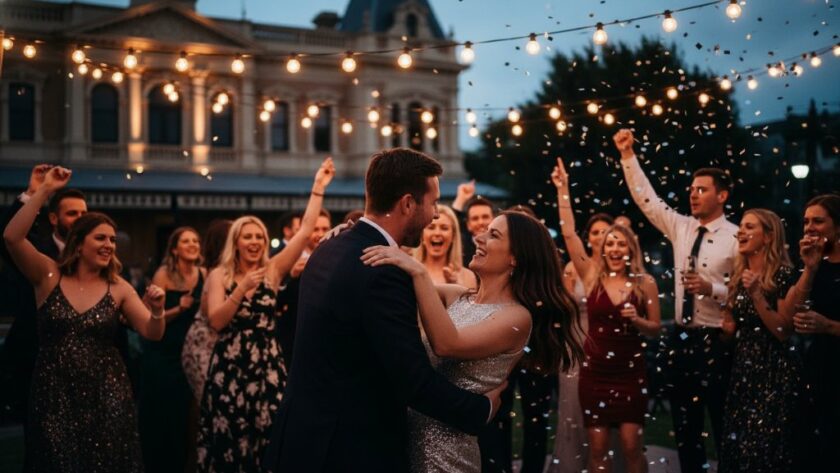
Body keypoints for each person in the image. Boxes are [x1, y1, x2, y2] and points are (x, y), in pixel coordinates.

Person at [263, 148, 505, 473]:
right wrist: (481, 408)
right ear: (407, 203)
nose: (435, 215)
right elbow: (412, 380)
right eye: (432, 203)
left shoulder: (331, 245)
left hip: (302, 438)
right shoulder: (382, 270)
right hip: (347, 450)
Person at [361, 210, 584, 472]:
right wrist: (353, 239)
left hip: (447, 456)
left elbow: (447, 344)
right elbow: (390, 284)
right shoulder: (458, 297)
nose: (478, 237)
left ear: (515, 258)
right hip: (406, 443)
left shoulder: (517, 318)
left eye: (493, 235)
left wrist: (419, 272)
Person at [3, 166, 166, 472]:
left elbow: (151, 332)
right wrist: (44, 191)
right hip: (54, 394)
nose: (109, 245)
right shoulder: (48, 275)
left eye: (113, 240)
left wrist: (157, 311)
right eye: (101, 238)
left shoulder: (118, 287)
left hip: (108, 395)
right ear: (79, 243)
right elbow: (12, 238)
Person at [196, 158, 334, 472]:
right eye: (248, 237)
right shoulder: (220, 275)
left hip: (266, 362)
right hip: (230, 366)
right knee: (231, 440)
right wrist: (242, 287)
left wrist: (317, 188)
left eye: (259, 236)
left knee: (271, 436)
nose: (255, 242)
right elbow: (217, 321)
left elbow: (305, 233)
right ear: (236, 242)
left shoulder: (272, 270)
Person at [614, 128, 737, 473]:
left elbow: (746, 294)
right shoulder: (681, 227)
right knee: (685, 427)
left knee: (723, 425)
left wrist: (712, 289)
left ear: (722, 195)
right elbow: (647, 200)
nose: (693, 195)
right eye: (692, 190)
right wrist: (628, 156)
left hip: (717, 340)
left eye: (702, 190)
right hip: (682, 339)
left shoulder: (737, 238)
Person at [553, 158, 661, 473]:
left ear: (630, 249)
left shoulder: (645, 283)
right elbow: (570, 234)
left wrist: (638, 322)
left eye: (620, 244)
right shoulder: (591, 278)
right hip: (595, 374)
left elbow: (655, 328)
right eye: (609, 243)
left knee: (631, 448)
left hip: (630, 375)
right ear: (603, 249)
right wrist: (563, 190)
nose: (614, 248)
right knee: (597, 451)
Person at [718, 209, 803, 472]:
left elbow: (782, 329)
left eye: (749, 227)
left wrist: (756, 294)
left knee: (765, 449)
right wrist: (727, 330)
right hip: (743, 370)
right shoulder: (738, 276)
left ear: (768, 237)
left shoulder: (783, 275)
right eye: (740, 226)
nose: (740, 232)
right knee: (739, 447)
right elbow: (731, 330)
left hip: (774, 372)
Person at [550, 212, 625, 473]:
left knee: (608, 415)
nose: (600, 237)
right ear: (588, 238)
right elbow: (560, 309)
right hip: (577, 343)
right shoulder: (573, 267)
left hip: (608, 348)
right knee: (574, 411)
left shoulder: (618, 271)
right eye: (595, 232)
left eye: (605, 232)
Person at [139, 226, 206, 473]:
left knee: (188, 416)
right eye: (186, 241)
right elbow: (150, 317)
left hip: (192, 352)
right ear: (175, 248)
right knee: (165, 413)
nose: (192, 244)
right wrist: (180, 307)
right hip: (164, 352)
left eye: (195, 240)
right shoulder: (163, 275)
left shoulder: (205, 274)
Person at [784, 194, 840, 471]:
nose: (809, 227)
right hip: (817, 370)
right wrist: (810, 268)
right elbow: (789, 314)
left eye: (818, 220)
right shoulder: (814, 263)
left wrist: (829, 326)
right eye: (806, 221)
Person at [414, 204, 477, 288]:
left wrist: (456, 286)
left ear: (453, 236)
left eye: (444, 228)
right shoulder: (410, 272)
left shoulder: (468, 277)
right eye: (431, 227)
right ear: (422, 235)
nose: (437, 233)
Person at [452, 180, 496, 267]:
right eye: (475, 218)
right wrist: (461, 199)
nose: (481, 222)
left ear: (494, 220)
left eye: (485, 217)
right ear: (468, 225)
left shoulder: (504, 246)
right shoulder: (461, 248)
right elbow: (450, 225)